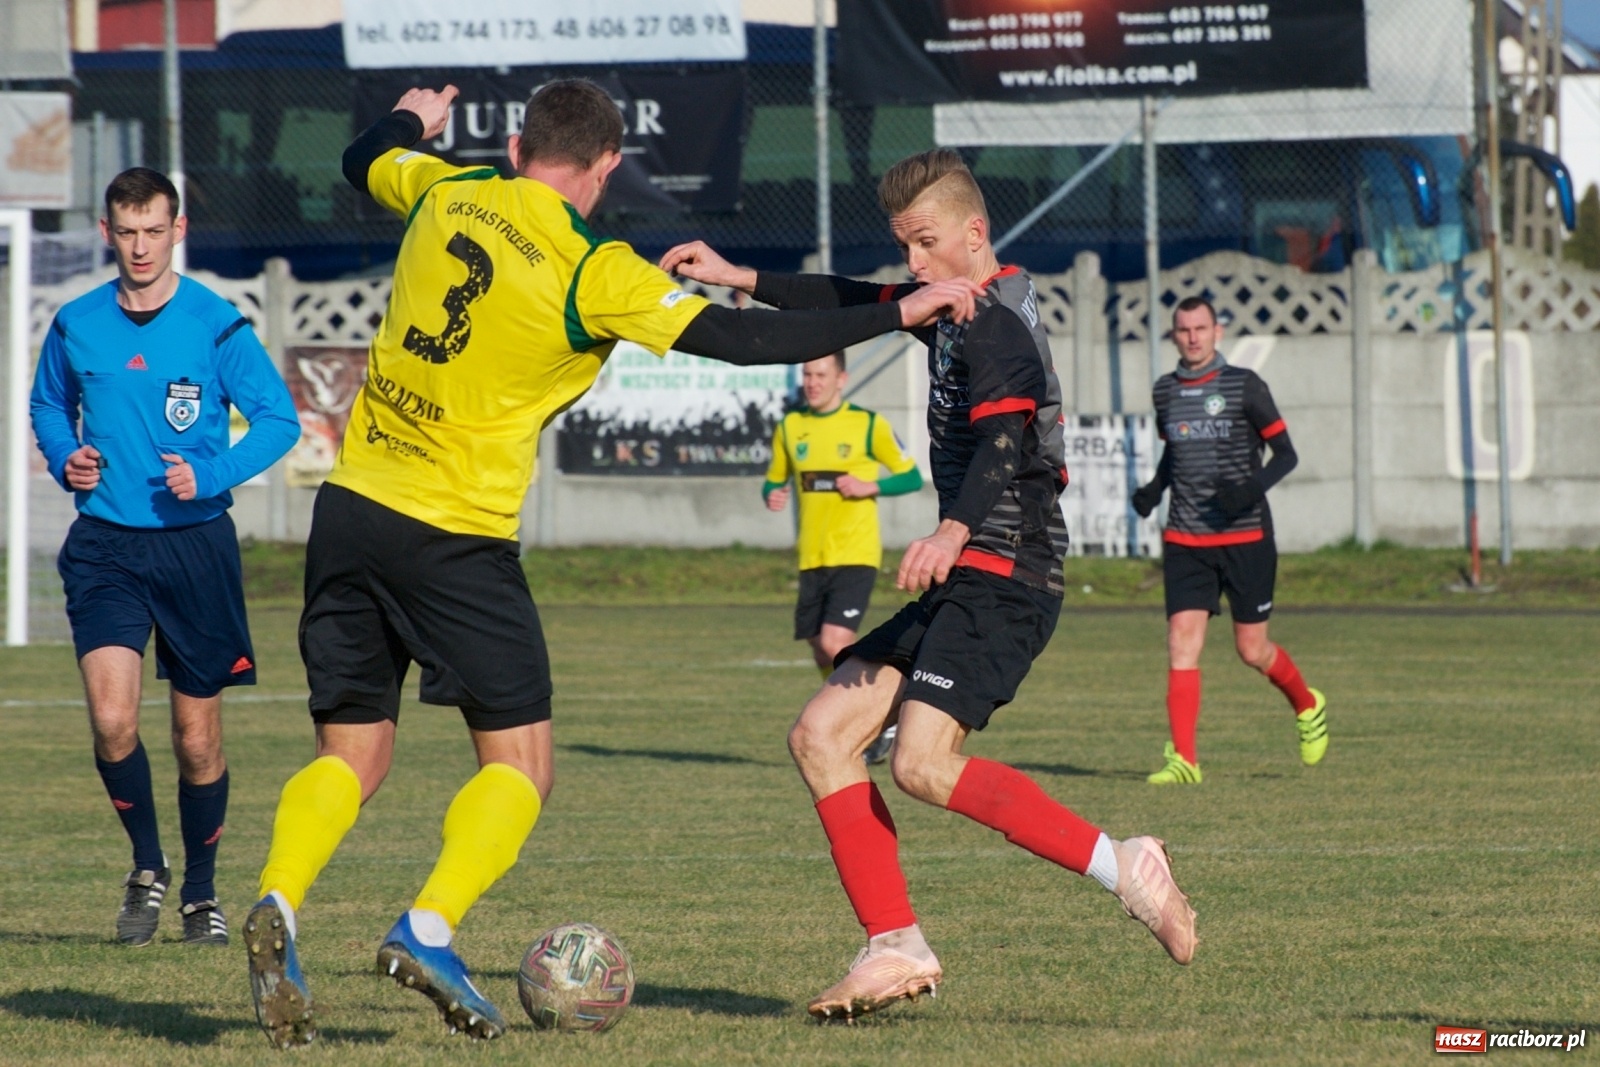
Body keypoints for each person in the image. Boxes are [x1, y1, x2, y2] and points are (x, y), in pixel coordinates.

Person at [244, 80, 983, 1048]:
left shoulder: (442, 187)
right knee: (522, 763)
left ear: (515, 145)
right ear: (604, 165)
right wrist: (898, 310)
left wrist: (408, 122)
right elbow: (735, 335)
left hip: (348, 509)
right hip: (454, 532)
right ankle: (426, 927)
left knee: (353, 752)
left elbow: (359, 158)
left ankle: (279, 902)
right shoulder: (595, 266)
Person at [661, 149, 1198, 1021]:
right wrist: (738, 274)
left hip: (1009, 574)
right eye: (905, 245)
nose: (912, 264)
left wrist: (951, 526)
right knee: (823, 731)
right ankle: (895, 944)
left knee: (919, 763)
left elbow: (1004, 446)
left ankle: (1125, 861)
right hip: (966, 575)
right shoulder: (951, 307)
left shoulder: (998, 327)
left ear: (974, 236)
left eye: (925, 243)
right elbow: (846, 303)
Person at [29, 167, 299, 948]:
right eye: (126, 231)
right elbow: (50, 402)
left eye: (155, 231)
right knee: (113, 721)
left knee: (196, 740)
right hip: (106, 546)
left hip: (195, 546)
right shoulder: (78, 323)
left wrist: (209, 473)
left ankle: (202, 894)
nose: (140, 247)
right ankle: (148, 868)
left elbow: (279, 421)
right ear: (107, 233)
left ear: (179, 231)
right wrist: (63, 455)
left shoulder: (216, 324)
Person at [1130, 296, 1328, 784]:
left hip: (1246, 537)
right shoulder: (1164, 392)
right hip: (1185, 536)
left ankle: (1307, 704)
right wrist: (1156, 490)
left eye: (1201, 328)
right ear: (1174, 335)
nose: (1193, 337)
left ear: (1217, 331)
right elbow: (1174, 453)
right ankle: (1185, 761)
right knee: (1181, 641)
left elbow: (1286, 455)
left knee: (1251, 650)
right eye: (1183, 330)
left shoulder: (1245, 386)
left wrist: (1249, 490)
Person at [763, 353, 922, 761]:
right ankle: (868, 718)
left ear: (841, 378)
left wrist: (872, 486)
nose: (812, 382)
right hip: (812, 557)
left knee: (836, 640)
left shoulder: (868, 425)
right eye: (807, 374)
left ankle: (874, 721)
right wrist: (772, 494)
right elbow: (774, 479)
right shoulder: (790, 426)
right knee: (820, 647)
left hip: (855, 552)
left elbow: (910, 476)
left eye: (820, 374)